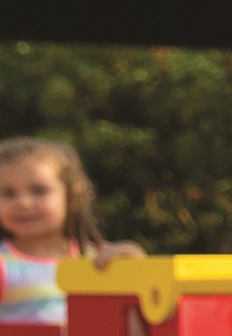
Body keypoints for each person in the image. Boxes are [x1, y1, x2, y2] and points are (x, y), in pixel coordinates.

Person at [0, 137, 143, 325]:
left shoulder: (98, 259)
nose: (23, 203)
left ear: (71, 195)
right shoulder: (3, 262)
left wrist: (134, 272)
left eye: (39, 190)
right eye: (8, 193)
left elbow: (132, 326)